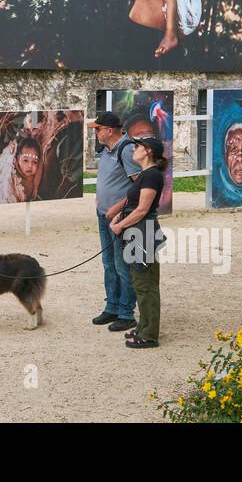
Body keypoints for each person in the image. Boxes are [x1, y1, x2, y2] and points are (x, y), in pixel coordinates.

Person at [110, 136, 168, 349]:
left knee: (146, 284)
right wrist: (120, 217)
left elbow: (143, 209)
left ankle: (149, 334)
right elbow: (134, 205)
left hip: (143, 233)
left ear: (148, 151)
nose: (134, 148)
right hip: (137, 232)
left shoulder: (151, 176)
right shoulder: (146, 175)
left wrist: (120, 225)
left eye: (138, 146)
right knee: (139, 280)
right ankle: (143, 327)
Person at [92, 112, 139, 332]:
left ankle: (126, 312)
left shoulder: (127, 150)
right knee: (109, 264)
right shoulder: (107, 151)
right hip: (103, 215)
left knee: (122, 266)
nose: (96, 133)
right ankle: (112, 306)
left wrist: (118, 209)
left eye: (97, 129)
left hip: (119, 218)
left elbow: (140, 187)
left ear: (109, 131)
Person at [0, 132, 42, 205]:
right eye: (25, 160)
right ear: (18, 158)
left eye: (35, 162)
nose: (30, 165)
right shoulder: (10, 176)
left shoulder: (36, 178)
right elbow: (5, 194)